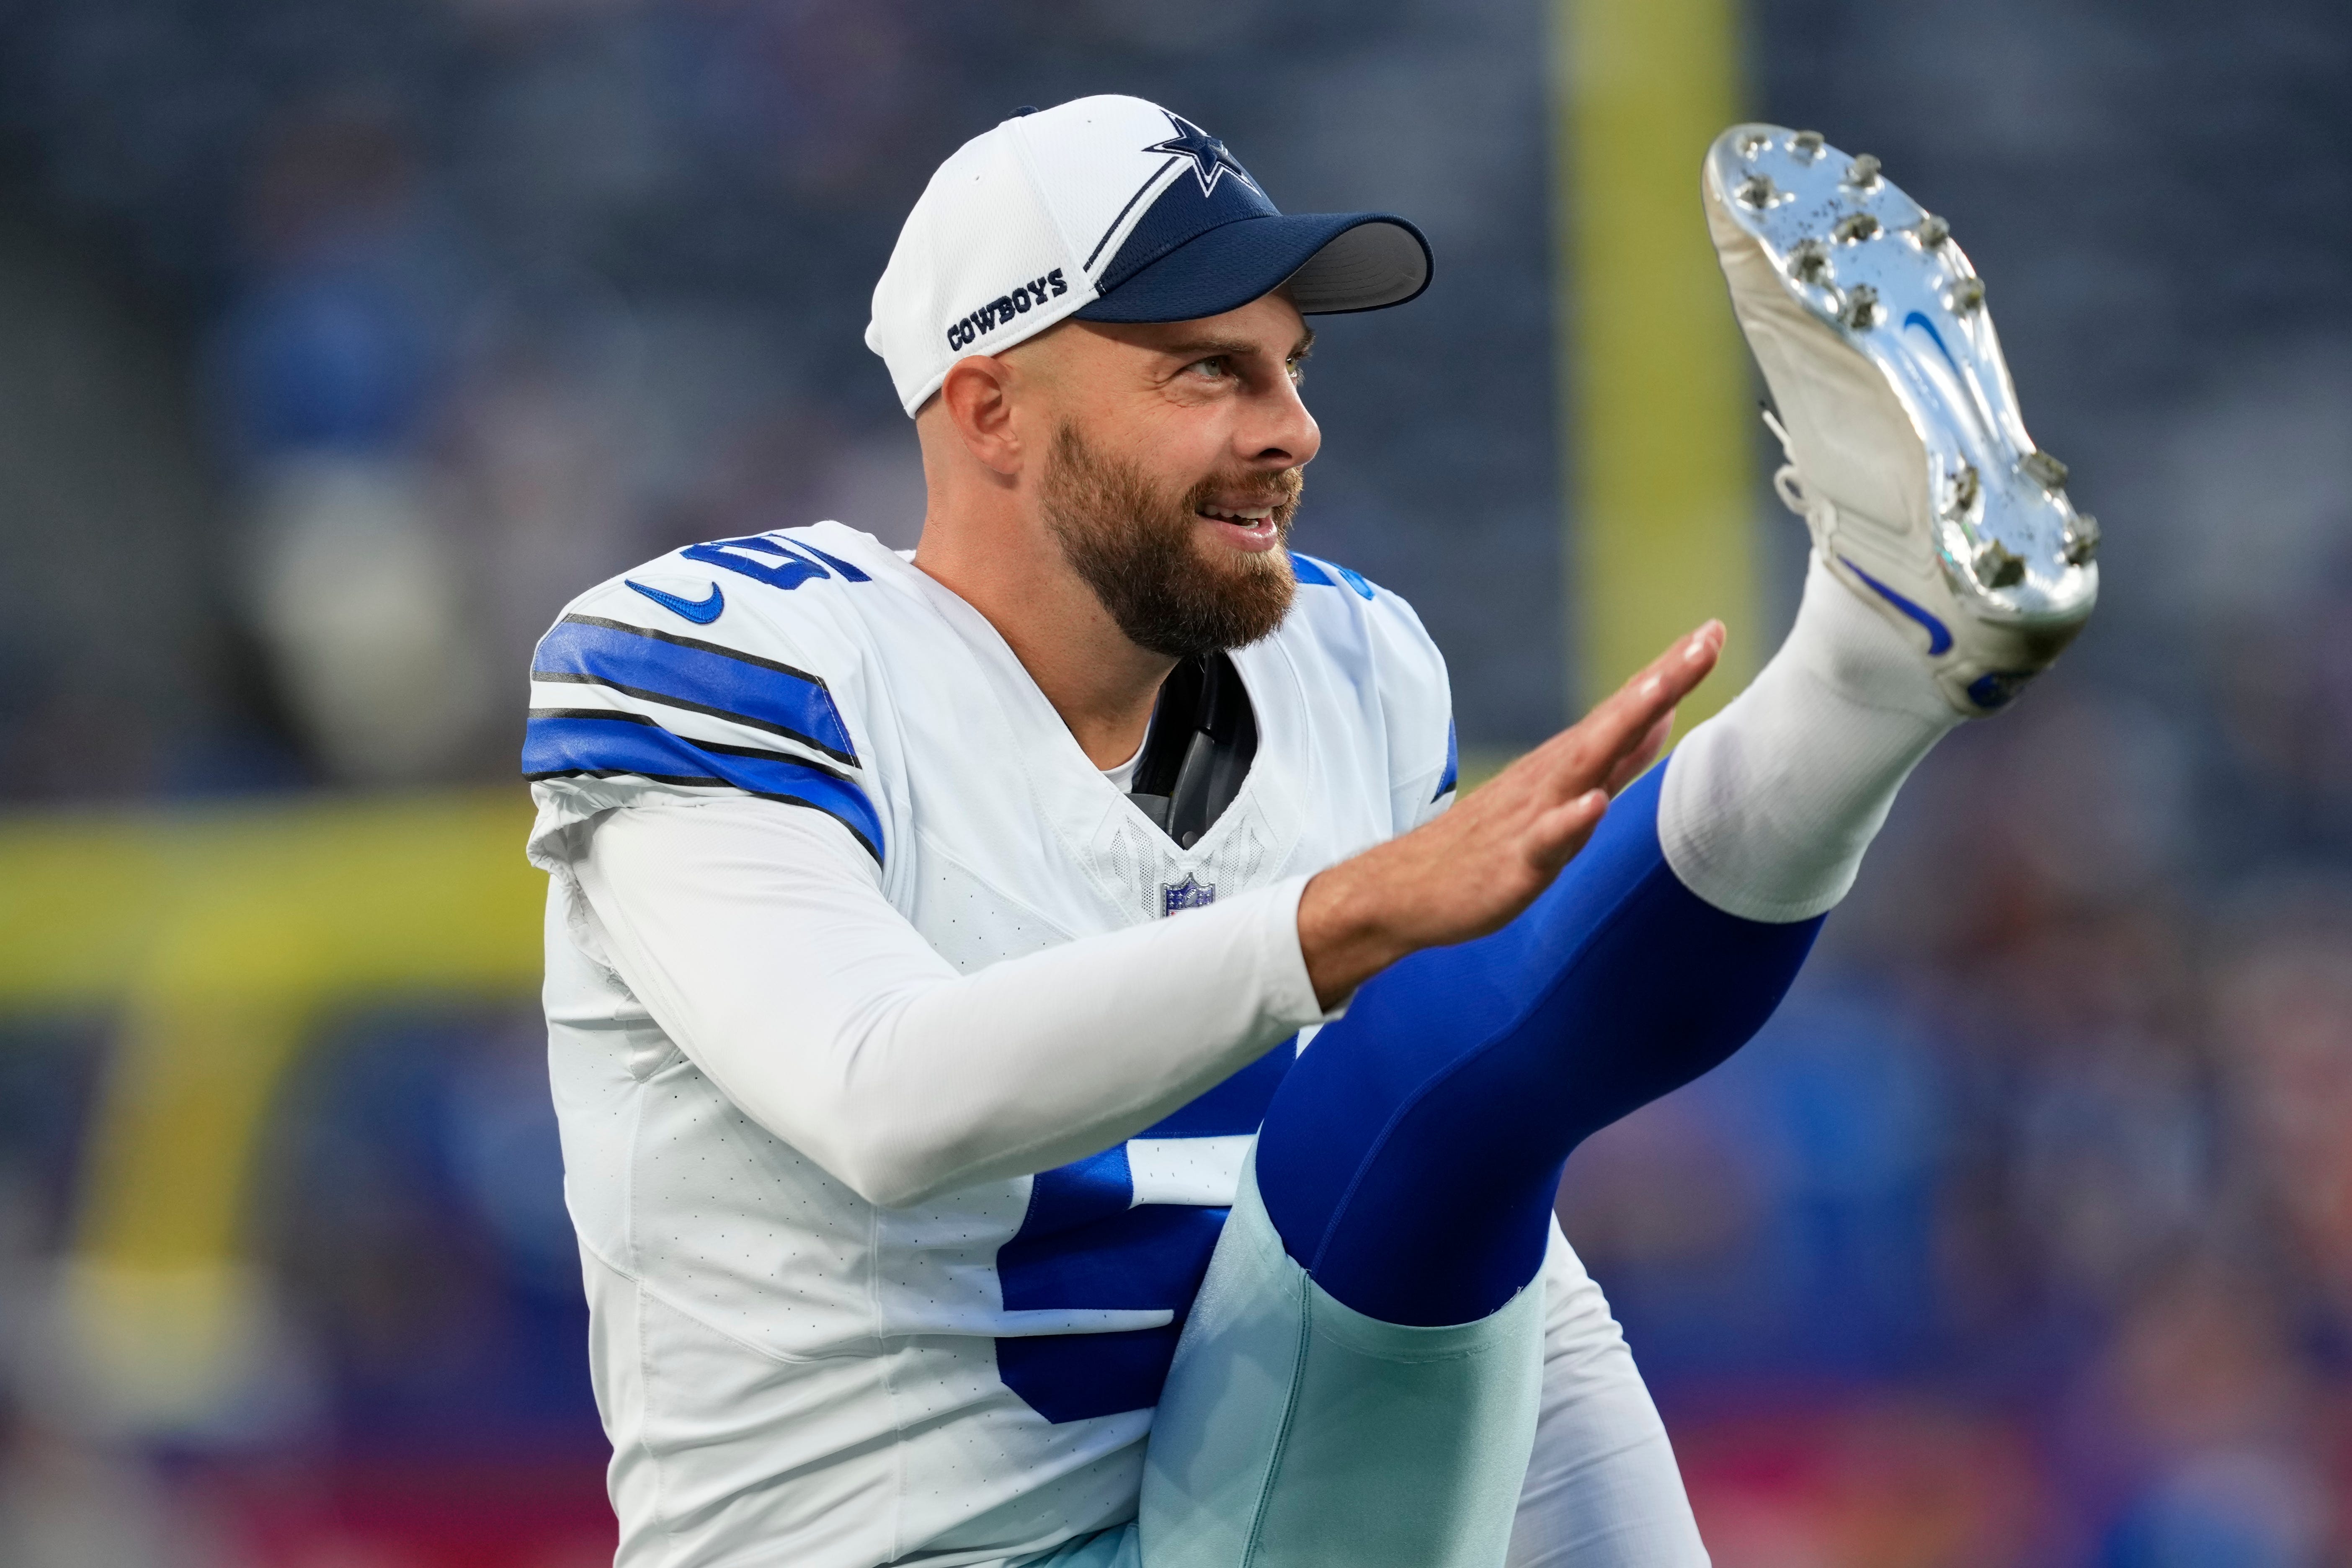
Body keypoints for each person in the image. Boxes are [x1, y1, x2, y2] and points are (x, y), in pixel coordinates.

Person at [524, 98, 2097, 1568]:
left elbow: (1456, 1204)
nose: (1293, 429)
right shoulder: (735, 666)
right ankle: (1853, 680)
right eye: (1209, 371)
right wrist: (1338, 921)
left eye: (1292, 367)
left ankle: (1875, 670)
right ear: (993, 409)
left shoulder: (1344, 665)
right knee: (1407, 1051)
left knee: (1431, 1094)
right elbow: (878, 1096)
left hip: (1274, 1517)